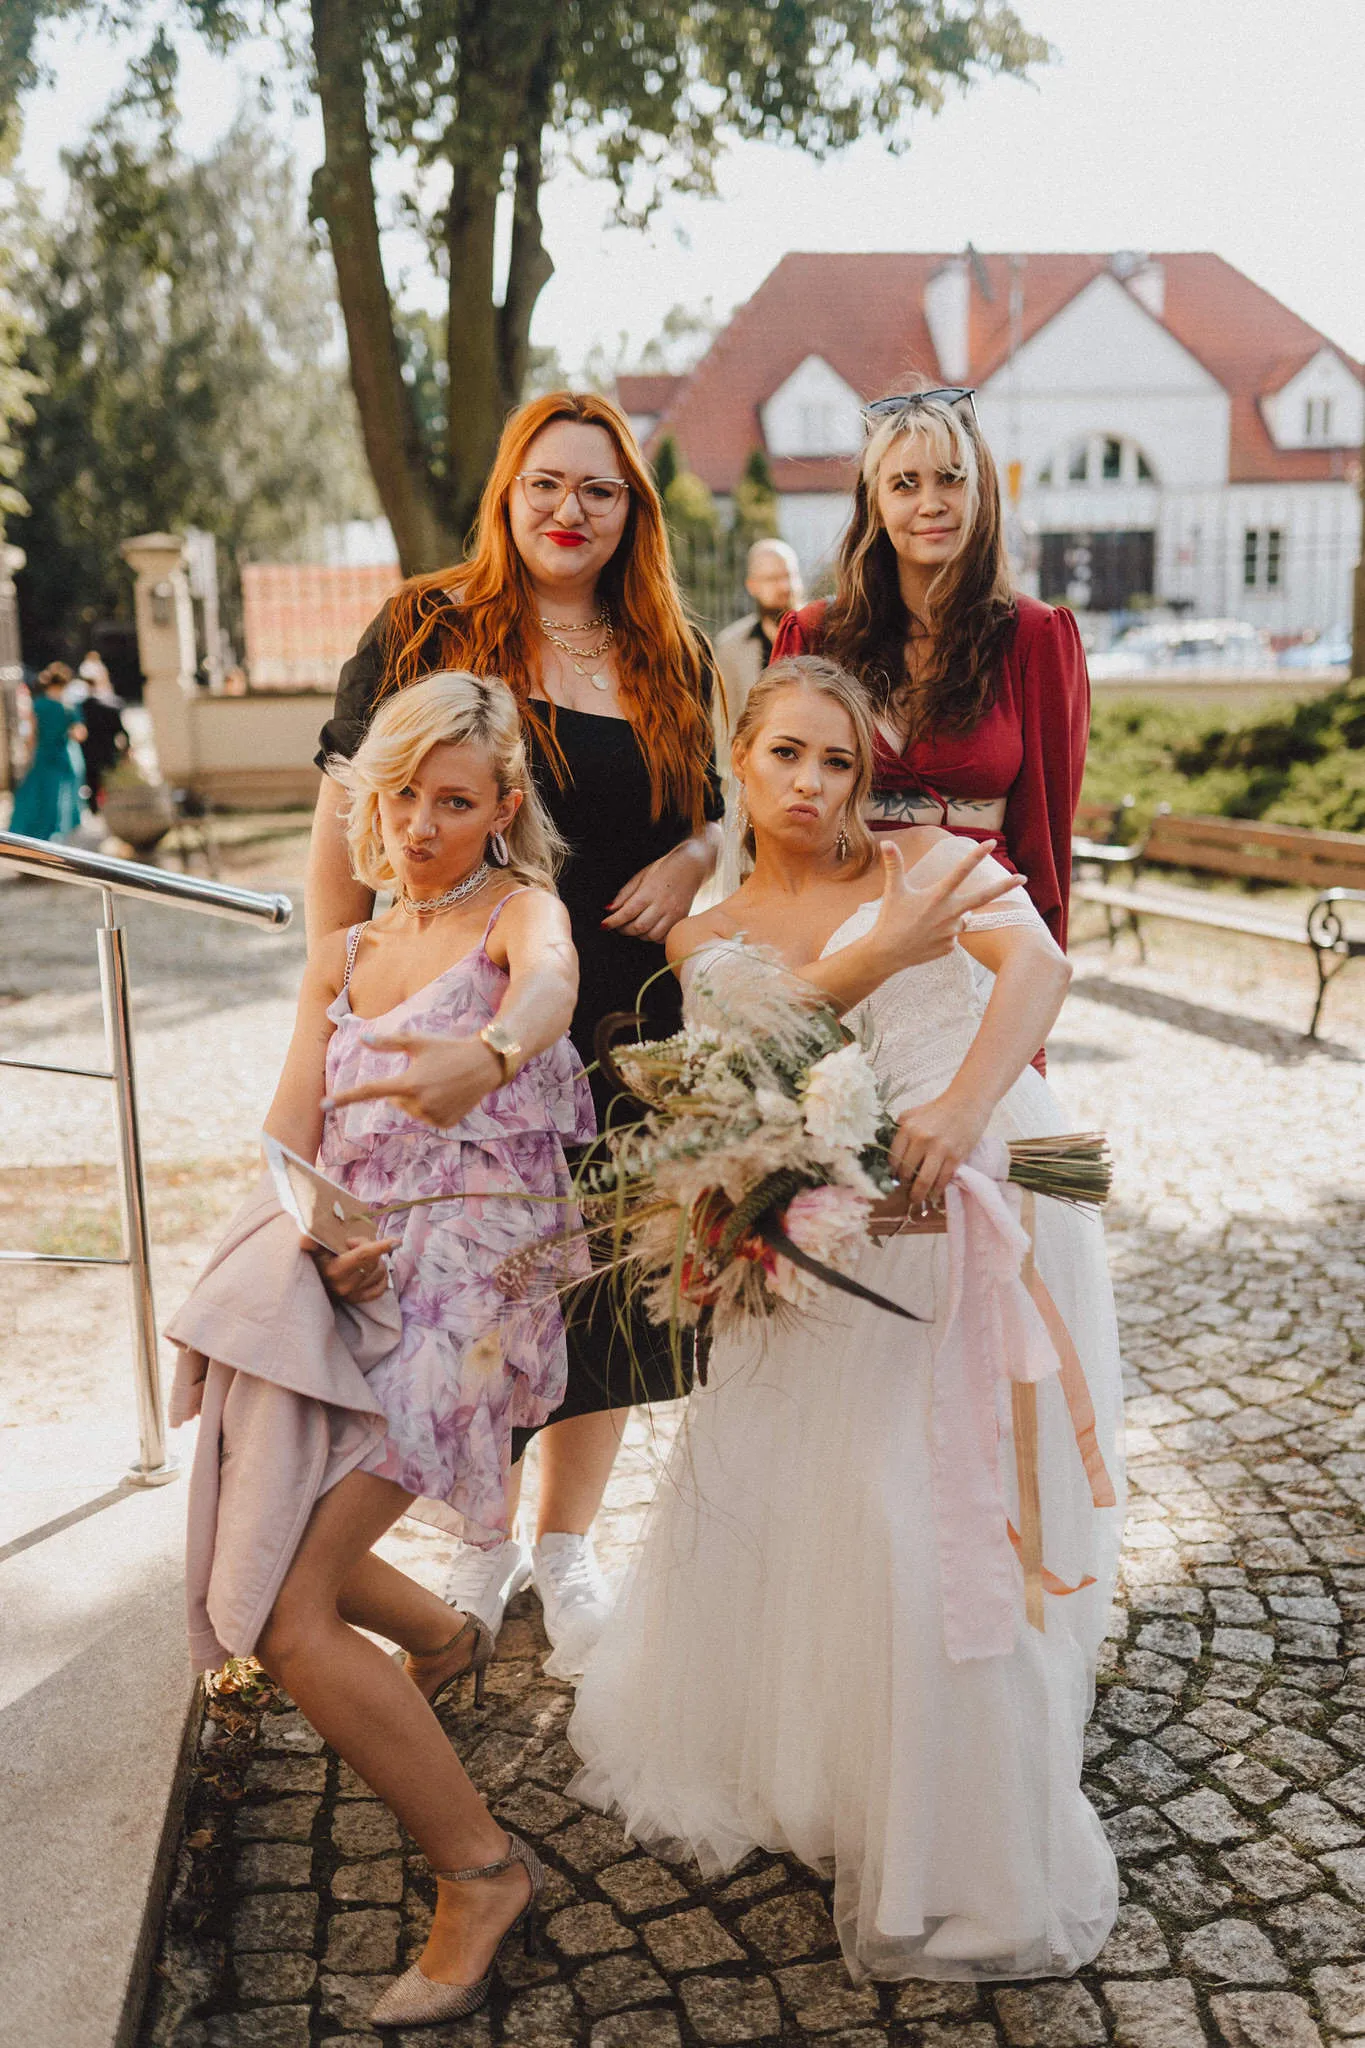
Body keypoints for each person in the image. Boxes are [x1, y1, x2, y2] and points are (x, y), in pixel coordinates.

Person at [569, 655, 1125, 1985]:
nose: (813, 784)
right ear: (739, 761)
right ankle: (827, 1755)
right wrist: (877, 957)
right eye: (786, 755)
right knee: (834, 1498)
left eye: (838, 761)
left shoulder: (923, 859)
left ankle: (963, 1809)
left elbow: (1037, 966)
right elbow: (749, 1057)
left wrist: (962, 1106)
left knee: (937, 1502)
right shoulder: (707, 933)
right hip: (817, 1228)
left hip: (977, 1194)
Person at [181, 671, 594, 2030]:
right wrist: (319, 1240)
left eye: (454, 800)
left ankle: (480, 1872)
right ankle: (439, 1634)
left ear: (502, 806)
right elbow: (288, 1138)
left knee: (289, 1616)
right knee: (274, 1507)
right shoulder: (347, 951)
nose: (421, 823)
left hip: (479, 1281)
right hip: (361, 1275)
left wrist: (491, 1050)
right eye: (402, 793)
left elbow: (553, 982)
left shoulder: (515, 913)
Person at [307, 391, 723, 1672]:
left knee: (602, 1294)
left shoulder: (670, 650)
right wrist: (333, 988)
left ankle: (568, 1541)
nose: (569, 509)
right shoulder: (425, 624)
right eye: (546, 482)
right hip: (464, 1021)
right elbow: (345, 814)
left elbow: (716, 803)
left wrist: (697, 853)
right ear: (508, 491)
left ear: (632, 511)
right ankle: (476, 1538)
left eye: (599, 489)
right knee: (470, 1288)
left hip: (624, 1020)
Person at [772, 388, 1089, 952]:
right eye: (904, 484)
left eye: (950, 479)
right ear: (874, 502)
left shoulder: (1035, 636)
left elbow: (1047, 833)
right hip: (838, 928)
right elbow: (775, 815)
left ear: (981, 492)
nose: (930, 503)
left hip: (982, 934)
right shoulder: (815, 635)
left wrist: (1042, 963)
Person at [712, 537, 804, 783]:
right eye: (772, 579)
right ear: (752, 586)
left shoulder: (826, 633)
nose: (784, 586)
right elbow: (725, 725)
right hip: (757, 777)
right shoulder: (730, 647)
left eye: (789, 576)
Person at [9, 663, 85, 841]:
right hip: (62, 757)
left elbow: (31, 737)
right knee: (59, 799)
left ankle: (29, 836)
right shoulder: (68, 707)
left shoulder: (38, 705)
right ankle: (54, 838)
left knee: (36, 796)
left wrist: (29, 756)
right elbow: (79, 734)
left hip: (42, 756)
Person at [76, 653, 129, 806]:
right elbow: (120, 731)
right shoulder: (110, 706)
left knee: (92, 786)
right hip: (104, 752)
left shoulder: (80, 707)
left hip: (89, 752)